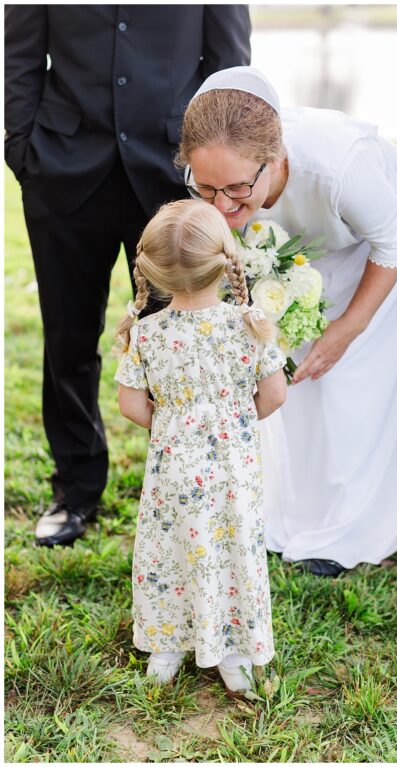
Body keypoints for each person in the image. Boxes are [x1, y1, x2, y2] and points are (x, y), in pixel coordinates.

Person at [4, 5, 252, 548]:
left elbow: (229, 69)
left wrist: (217, 174)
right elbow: (20, 51)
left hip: (173, 175)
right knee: (68, 339)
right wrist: (21, 150)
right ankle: (75, 489)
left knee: (191, 340)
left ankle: (192, 487)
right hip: (63, 169)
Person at [177, 67, 397, 577]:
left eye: (237, 188)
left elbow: (394, 243)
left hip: (390, 237)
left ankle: (357, 529)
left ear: (276, 159)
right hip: (301, 248)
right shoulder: (214, 176)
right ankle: (295, 514)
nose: (223, 205)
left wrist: (347, 329)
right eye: (206, 188)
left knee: (356, 378)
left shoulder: (338, 167)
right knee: (293, 373)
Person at [114, 200, 286, 692]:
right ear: (224, 260)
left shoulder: (147, 333)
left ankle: (166, 648)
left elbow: (130, 405)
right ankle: (233, 653)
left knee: (168, 550)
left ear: (152, 271)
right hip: (233, 469)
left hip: (172, 469)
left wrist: (172, 423)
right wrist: (232, 421)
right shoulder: (249, 324)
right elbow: (274, 394)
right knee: (231, 549)